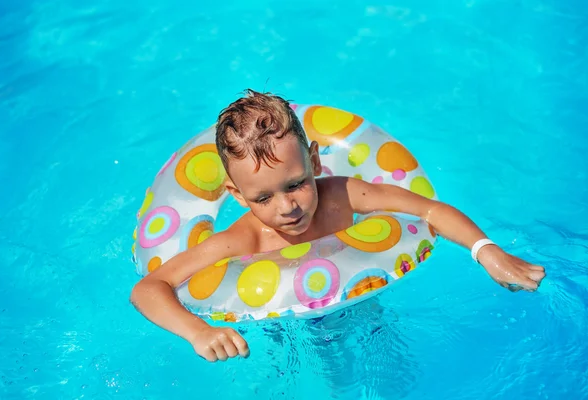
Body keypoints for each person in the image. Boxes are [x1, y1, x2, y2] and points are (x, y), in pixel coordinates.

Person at [130, 89, 546, 363]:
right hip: (283, 323)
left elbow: (429, 210)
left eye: (295, 184)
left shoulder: (344, 195)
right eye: (263, 198)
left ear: (314, 160)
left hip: (360, 298)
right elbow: (149, 289)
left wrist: (486, 251)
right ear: (237, 196)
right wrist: (197, 331)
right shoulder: (244, 238)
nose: (287, 207)